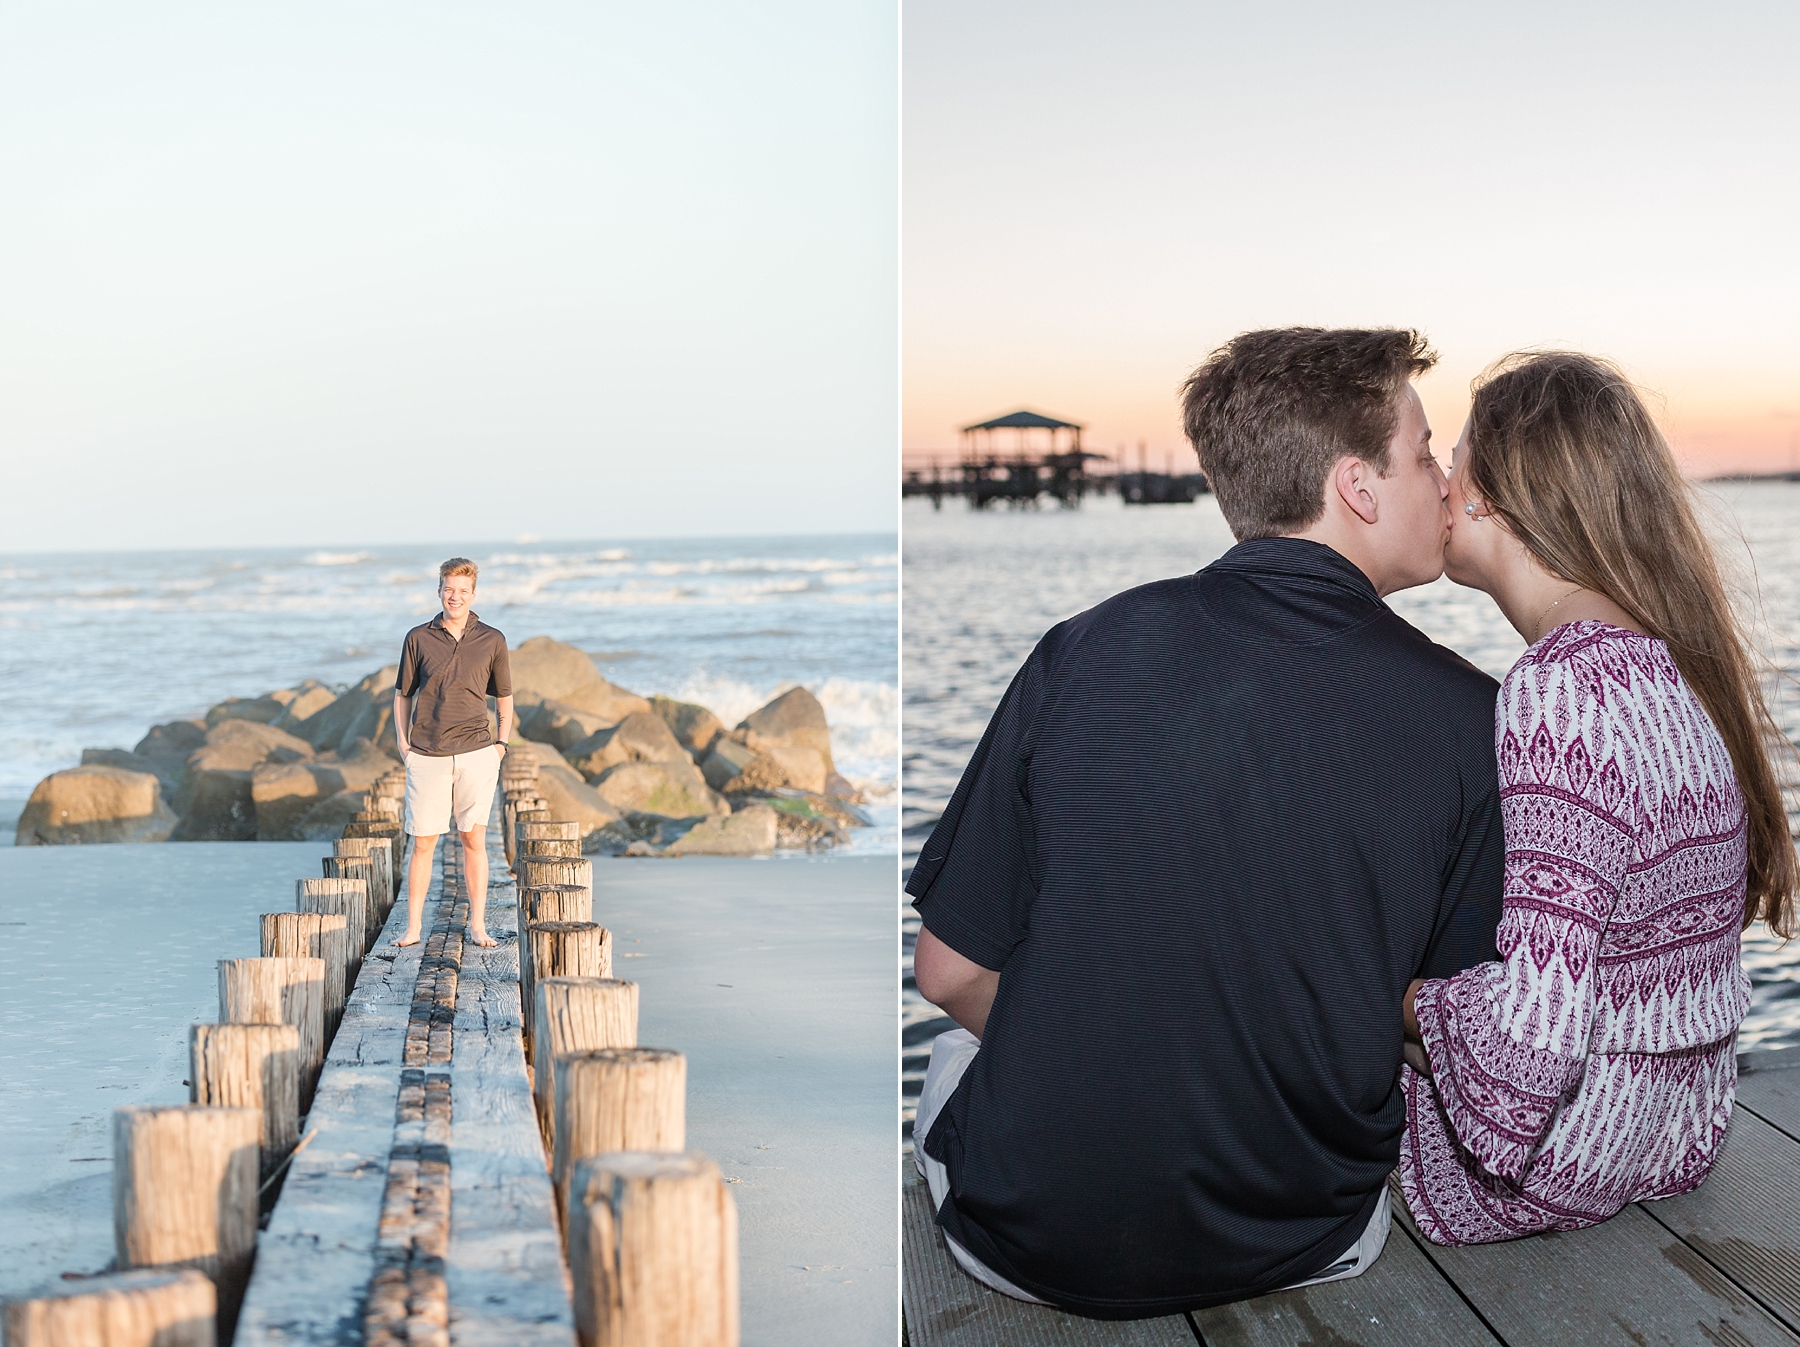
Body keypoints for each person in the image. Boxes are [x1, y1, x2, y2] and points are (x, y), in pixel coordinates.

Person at [908, 327, 1507, 1317]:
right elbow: (1447, 1021)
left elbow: (950, 972)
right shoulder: (1471, 718)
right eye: (1425, 450)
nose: (1444, 481)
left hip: (1024, 1240)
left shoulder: (1081, 654)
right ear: (1357, 487)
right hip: (1306, 1236)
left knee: (962, 1058)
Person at [1397, 352, 1796, 1243]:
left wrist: (1408, 1003)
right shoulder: (1674, 671)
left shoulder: (1559, 690)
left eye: (1451, 457)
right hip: (1677, 1131)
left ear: (1490, 498)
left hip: (1565, 1156)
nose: (1440, 479)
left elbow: (1536, 1036)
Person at [392, 557, 515, 950]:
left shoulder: (492, 639)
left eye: (463, 590)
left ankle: (478, 925)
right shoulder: (418, 637)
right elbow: (402, 695)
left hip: (479, 752)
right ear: (439, 590)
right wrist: (403, 744)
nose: (455, 596)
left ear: (473, 593)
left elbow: (506, 697)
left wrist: (501, 744)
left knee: (473, 839)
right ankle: (413, 928)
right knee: (423, 843)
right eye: (449, 589)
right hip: (427, 754)